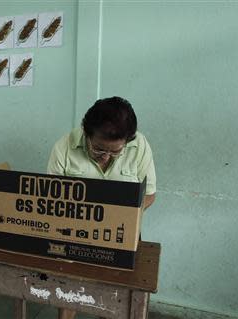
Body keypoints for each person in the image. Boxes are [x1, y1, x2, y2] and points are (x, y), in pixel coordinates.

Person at [47, 96, 156, 319]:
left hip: (122, 235)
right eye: (98, 150)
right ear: (87, 134)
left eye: (116, 152)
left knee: (116, 296)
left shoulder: (139, 146)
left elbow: (150, 195)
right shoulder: (64, 147)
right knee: (69, 290)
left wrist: (119, 219)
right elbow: (51, 199)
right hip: (74, 235)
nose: (106, 157)